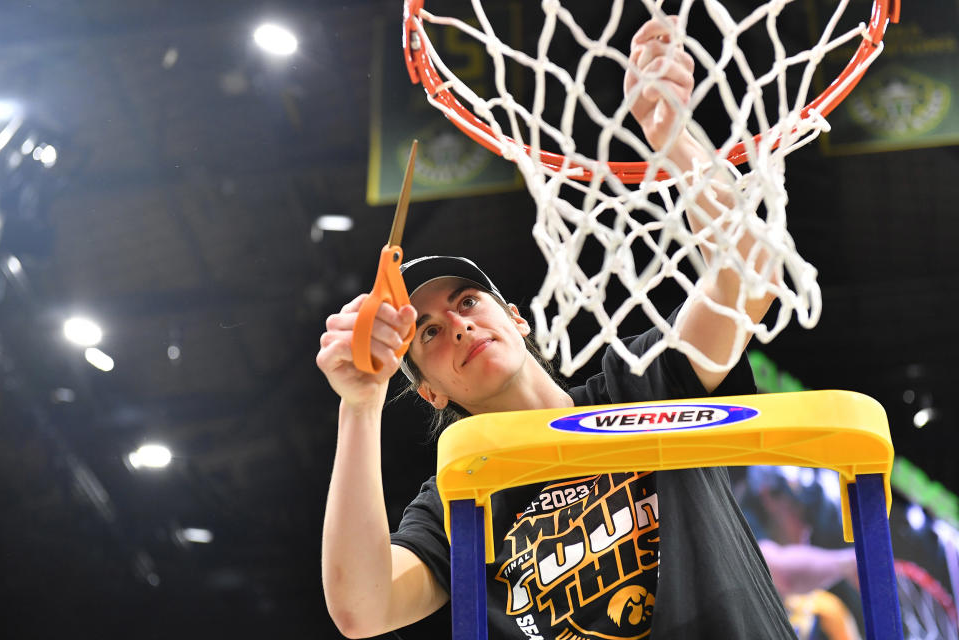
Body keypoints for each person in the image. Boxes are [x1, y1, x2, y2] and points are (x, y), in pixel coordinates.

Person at [317, 16, 797, 640]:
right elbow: (362, 608)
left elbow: (749, 277)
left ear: (515, 318)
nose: (456, 326)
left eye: (466, 302)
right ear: (429, 391)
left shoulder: (641, 387)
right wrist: (359, 406)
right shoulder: (461, 493)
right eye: (427, 333)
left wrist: (676, 137)